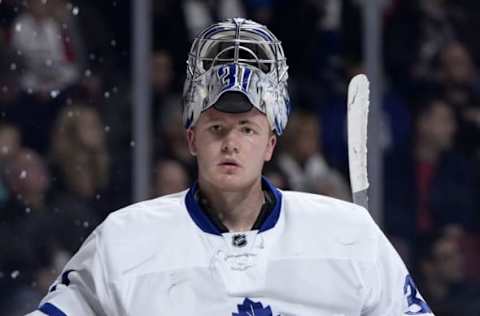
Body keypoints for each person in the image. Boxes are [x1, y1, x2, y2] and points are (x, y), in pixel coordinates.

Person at [27, 18, 434, 315]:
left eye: (247, 129)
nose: (231, 143)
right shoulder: (123, 239)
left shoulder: (349, 234)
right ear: (191, 139)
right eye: (217, 127)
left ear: (271, 144)